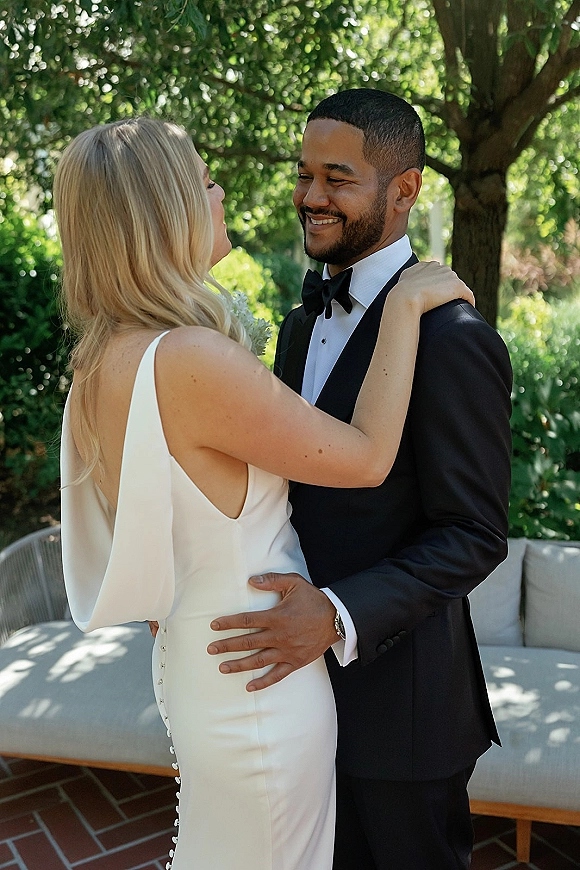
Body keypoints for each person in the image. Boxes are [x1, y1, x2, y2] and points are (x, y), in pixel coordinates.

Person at [55, 117, 472, 870]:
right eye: (205, 181)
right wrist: (405, 305)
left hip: (200, 658)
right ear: (169, 210)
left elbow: (142, 521)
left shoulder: (97, 362)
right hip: (259, 681)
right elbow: (370, 456)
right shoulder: (190, 358)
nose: (221, 193)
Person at [206, 90, 513, 869]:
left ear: (404, 190)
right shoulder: (300, 325)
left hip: (402, 719)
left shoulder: (454, 339)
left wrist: (337, 614)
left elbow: (473, 535)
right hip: (289, 701)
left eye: (336, 178)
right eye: (304, 174)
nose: (310, 197)